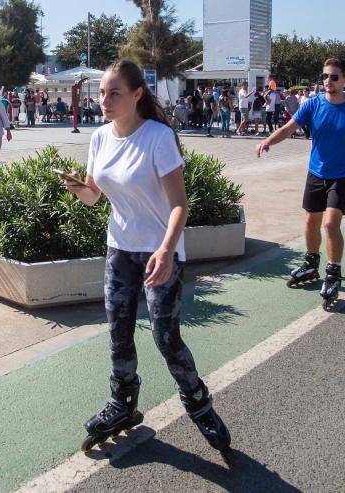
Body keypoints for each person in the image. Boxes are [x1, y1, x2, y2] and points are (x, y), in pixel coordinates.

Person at [64, 59, 231, 455]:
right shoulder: (100, 138)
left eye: (114, 93)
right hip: (120, 249)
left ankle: (198, 402)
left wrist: (167, 249)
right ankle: (122, 403)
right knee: (118, 331)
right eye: (102, 92)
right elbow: (93, 196)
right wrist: (76, 188)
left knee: (164, 334)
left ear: (137, 94)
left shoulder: (158, 137)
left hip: (162, 251)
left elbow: (179, 205)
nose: (104, 100)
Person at [256, 58, 345, 310]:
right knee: (311, 221)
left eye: (334, 77)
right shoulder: (314, 105)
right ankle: (310, 262)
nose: (328, 81)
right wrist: (267, 142)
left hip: (344, 175)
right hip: (317, 172)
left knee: (330, 223)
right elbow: (288, 127)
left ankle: (333, 272)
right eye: (325, 77)